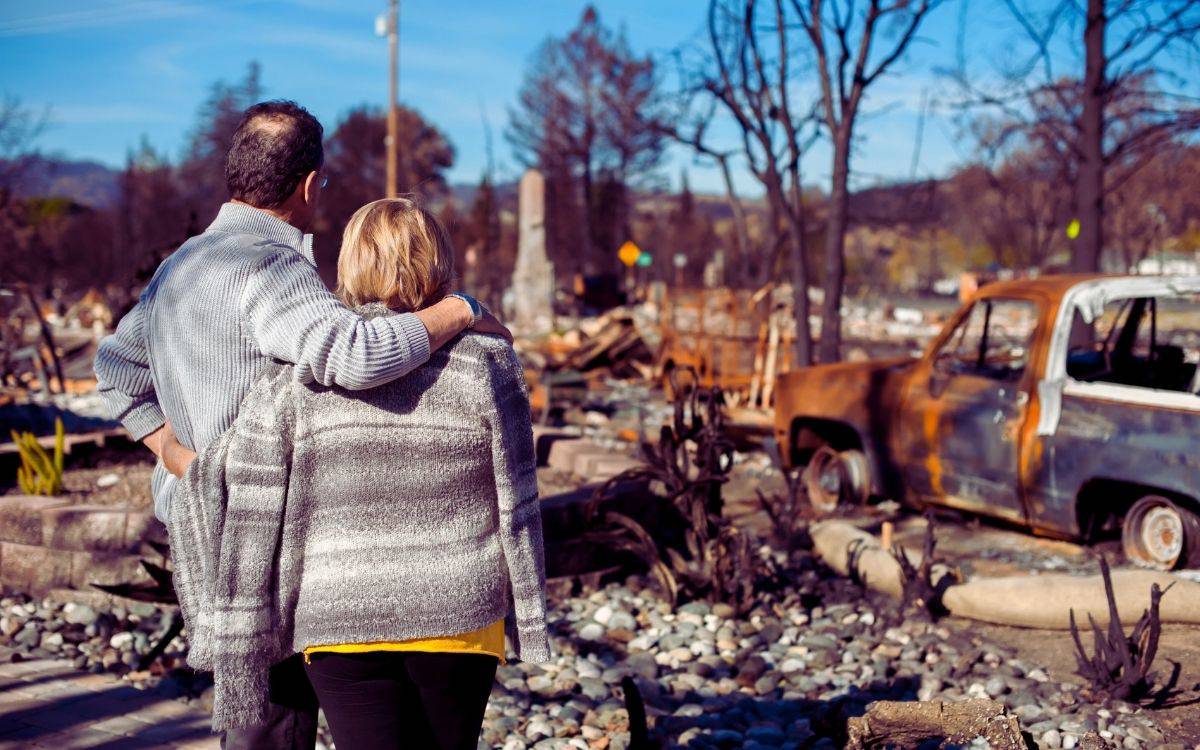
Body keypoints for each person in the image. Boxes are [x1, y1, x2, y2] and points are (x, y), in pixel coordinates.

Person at [93, 100, 509, 750]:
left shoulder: (182, 266)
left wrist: (177, 455)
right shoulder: (270, 270)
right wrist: (461, 309)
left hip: (202, 530)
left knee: (259, 724)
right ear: (311, 184)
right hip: (266, 536)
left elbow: (114, 369)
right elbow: (357, 354)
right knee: (276, 728)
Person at [167, 197, 550, 749]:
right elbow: (518, 499)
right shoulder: (488, 361)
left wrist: (171, 452)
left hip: (337, 614)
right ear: (438, 262)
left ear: (349, 263)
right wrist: (529, 613)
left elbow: (245, 482)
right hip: (458, 612)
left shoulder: (302, 377)